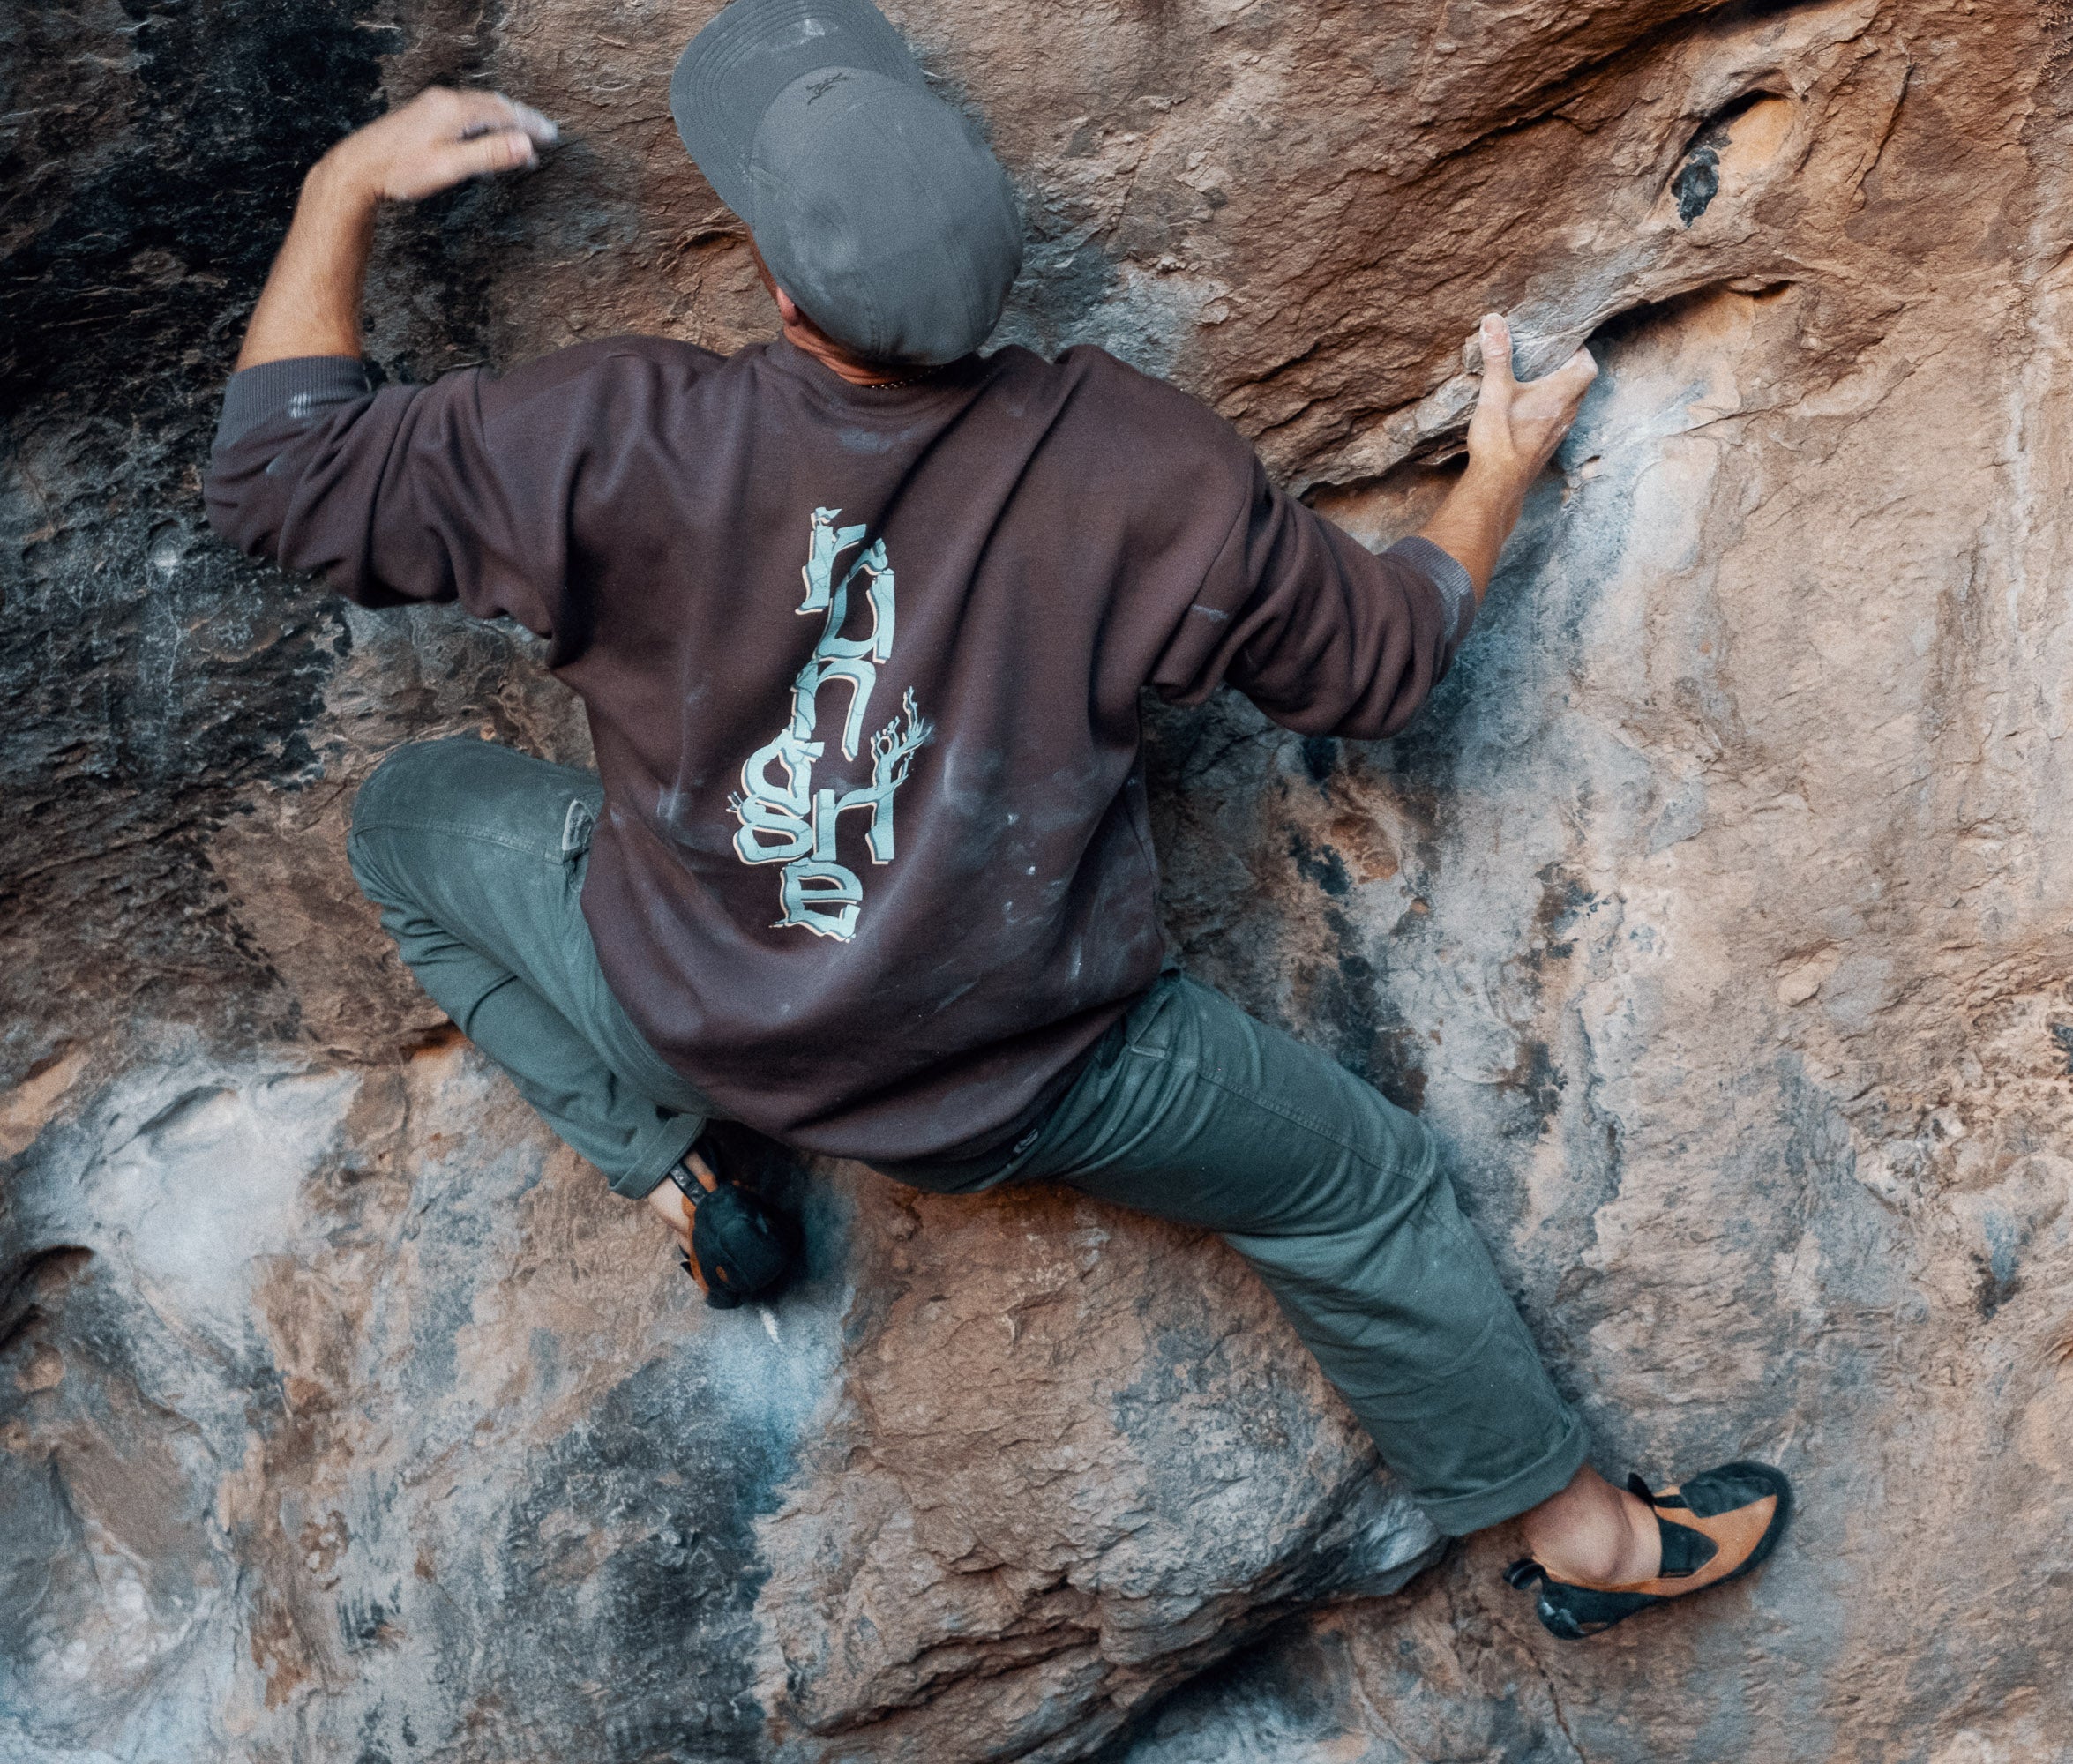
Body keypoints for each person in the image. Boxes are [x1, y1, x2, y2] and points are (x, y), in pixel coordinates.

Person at [201, 0, 1791, 1641]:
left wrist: (339, 187)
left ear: (781, 290)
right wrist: (1499, 469)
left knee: (406, 819)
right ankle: (1590, 1543)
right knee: (1357, 1188)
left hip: (688, 1008)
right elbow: (1382, 662)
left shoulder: (621, 434)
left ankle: (679, 1174)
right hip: (1028, 1078)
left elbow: (278, 479)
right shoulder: (1137, 465)